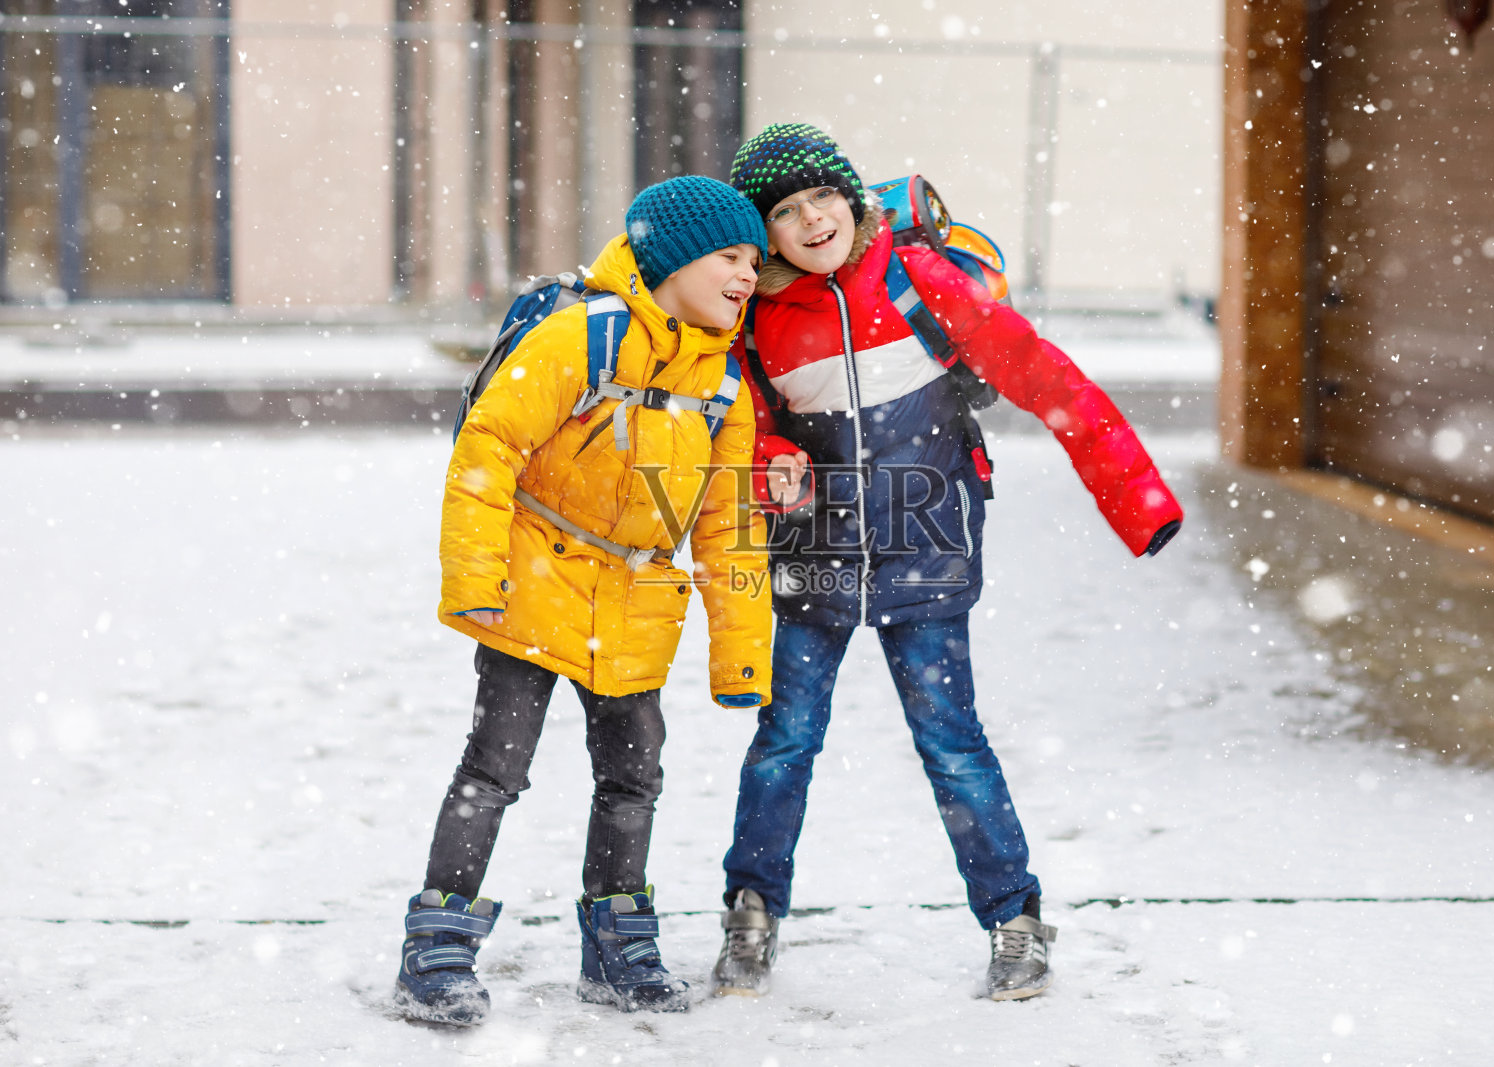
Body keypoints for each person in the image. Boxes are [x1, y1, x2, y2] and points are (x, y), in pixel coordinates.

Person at [710, 124, 1183, 1002]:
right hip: (813, 555)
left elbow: (1046, 377)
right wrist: (771, 455)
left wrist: (1136, 496)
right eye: (785, 210)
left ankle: (1015, 919)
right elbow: (744, 424)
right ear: (765, 234)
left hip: (927, 548)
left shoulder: (915, 279)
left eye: (821, 198)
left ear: (851, 200)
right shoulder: (759, 319)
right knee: (783, 742)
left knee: (952, 742)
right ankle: (751, 911)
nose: (810, 220)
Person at [394, 175, 773, 1024]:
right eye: (729, 255)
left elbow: (730, 526)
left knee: (634, 774)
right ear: (671, 259)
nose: (748, 274)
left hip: (635, 598)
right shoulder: (583, 337)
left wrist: (741, 650)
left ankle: (618, 942)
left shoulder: (722, 386)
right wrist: (477, 581)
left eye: (753, 259)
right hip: (535, 583)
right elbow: (488, 450)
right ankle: (435, 947)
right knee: (494, 769)